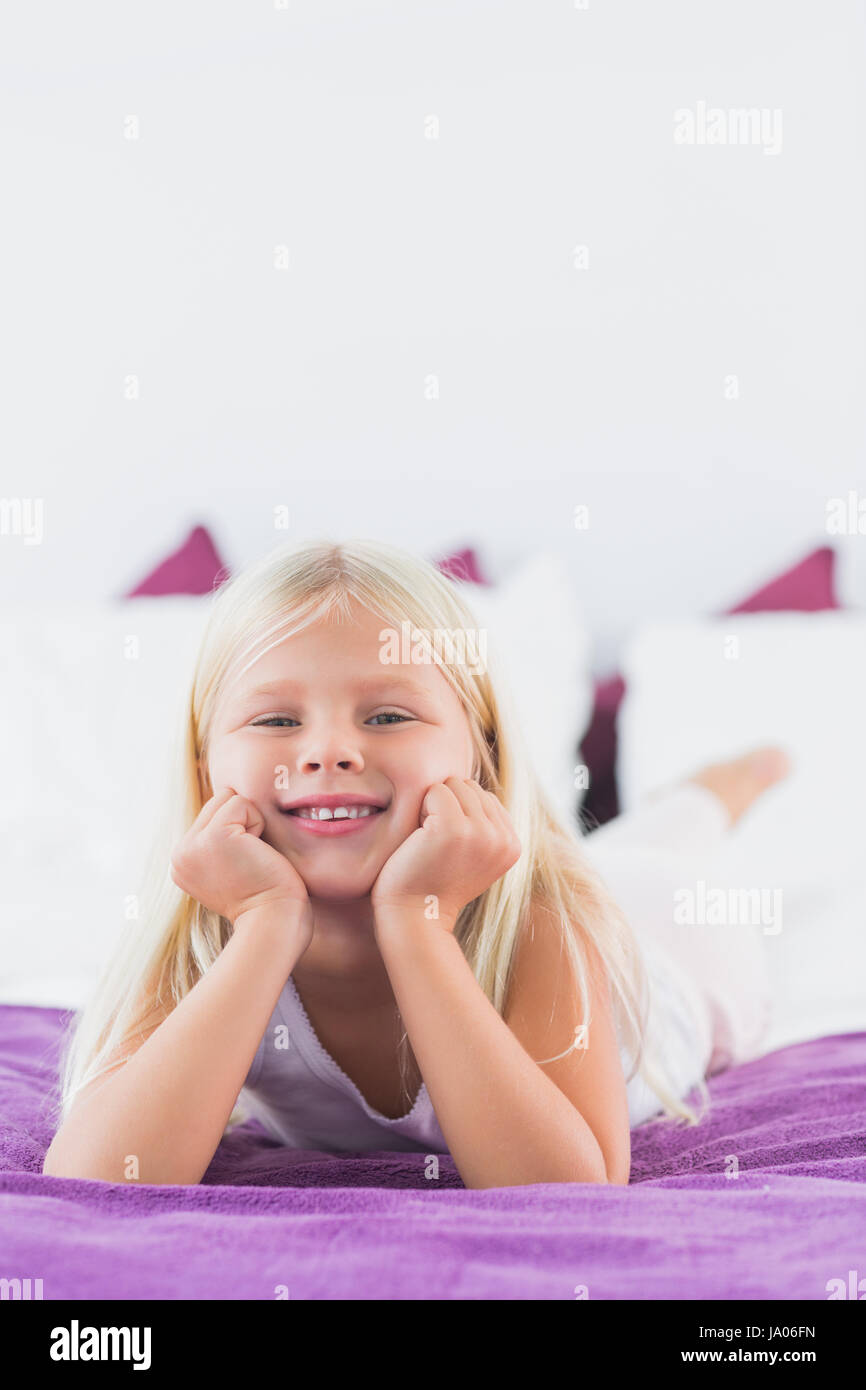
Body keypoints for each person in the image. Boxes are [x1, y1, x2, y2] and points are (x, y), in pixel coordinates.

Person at [43, 538, 789, 1189]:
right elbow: (98, 1176)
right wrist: (266, 927)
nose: (329, 750)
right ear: (207, 770)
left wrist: (417, 922)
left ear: (482, 755)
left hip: (672, 942)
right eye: (276, 720)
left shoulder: (542, 921)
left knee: (665, 847)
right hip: (606, 890)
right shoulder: (200, 937)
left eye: (388, 716)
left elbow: (567, 1185)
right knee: (631, 847)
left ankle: (723, 786)